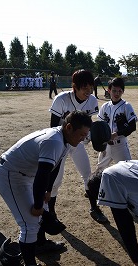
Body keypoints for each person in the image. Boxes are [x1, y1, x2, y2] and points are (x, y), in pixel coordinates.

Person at [0, 110, 92, 266]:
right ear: (69, 127)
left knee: (42, 210)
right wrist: (37, 206)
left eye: (85, 135)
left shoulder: (64, 139)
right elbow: (42, 174)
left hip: (26, 174)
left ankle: (40, 244)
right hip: (10, 175)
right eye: (81, 134)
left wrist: (47, 191)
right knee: (30, 223)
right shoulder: (54, 141)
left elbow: (54, 167)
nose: (83, 139)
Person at [48, 69, 108, 224]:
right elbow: (53, 127)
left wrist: (95, 137)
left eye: (90, 88)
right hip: (60, 142)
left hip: (76, 143)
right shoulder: (61, 99)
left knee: (87, 174)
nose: (88, 92)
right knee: (56, 180)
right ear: (74, 87)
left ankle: (94, 208)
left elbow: (89, 124)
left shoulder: (92, 100)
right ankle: (51, 213)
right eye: (84, 88)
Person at [95, 77, 138, 171]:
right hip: (106, 146)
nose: (117, 93)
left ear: (123, 91)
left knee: (127, 171)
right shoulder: (105, 106)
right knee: (99, 170)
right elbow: (100, 125)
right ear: (109, 90)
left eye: (120, 91)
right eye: (114, 91)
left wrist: (116, 134)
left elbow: (132, 127)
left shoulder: (126, 106)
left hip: (120, 146)